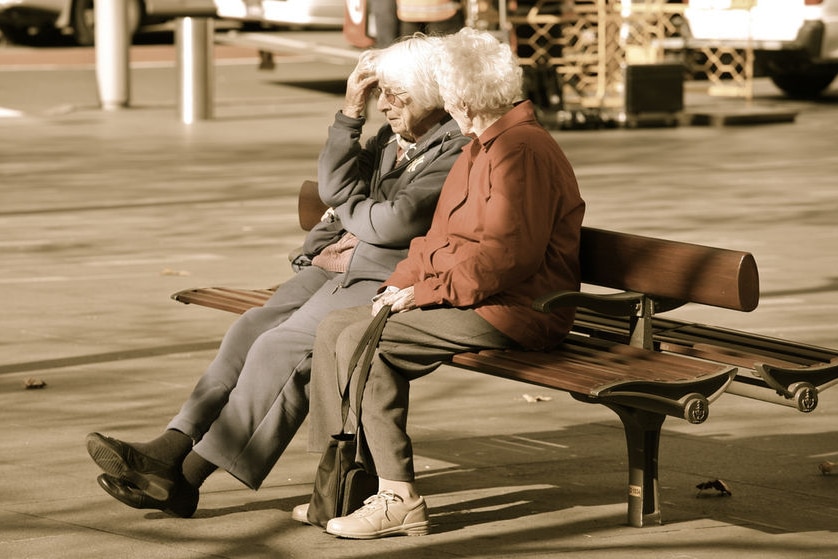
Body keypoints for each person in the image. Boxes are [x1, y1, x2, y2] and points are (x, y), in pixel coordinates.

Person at [84, 34, 470, 519]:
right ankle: (170, 444)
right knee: (249, 328)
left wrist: (350, 209)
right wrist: (351, 112)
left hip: (385, 278)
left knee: (280, 347)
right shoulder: (394, 140)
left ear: (433, 95)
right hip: (341, 262)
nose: (387, 106)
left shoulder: (453, 148)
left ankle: (186, 478)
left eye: (399, 95)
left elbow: (394, 222)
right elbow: (335, 187)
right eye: (381, 94)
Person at [306, 27, 585, 539]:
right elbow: (435, 239)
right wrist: (399, 285)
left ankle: (398, 496)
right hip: (478, 296)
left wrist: (424, 293)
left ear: (462, 94)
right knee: (335, 328)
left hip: (520, 308)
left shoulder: (518, 151)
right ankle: (342, 485)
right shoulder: (483, 146)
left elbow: (508, 257)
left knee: (371, 343)